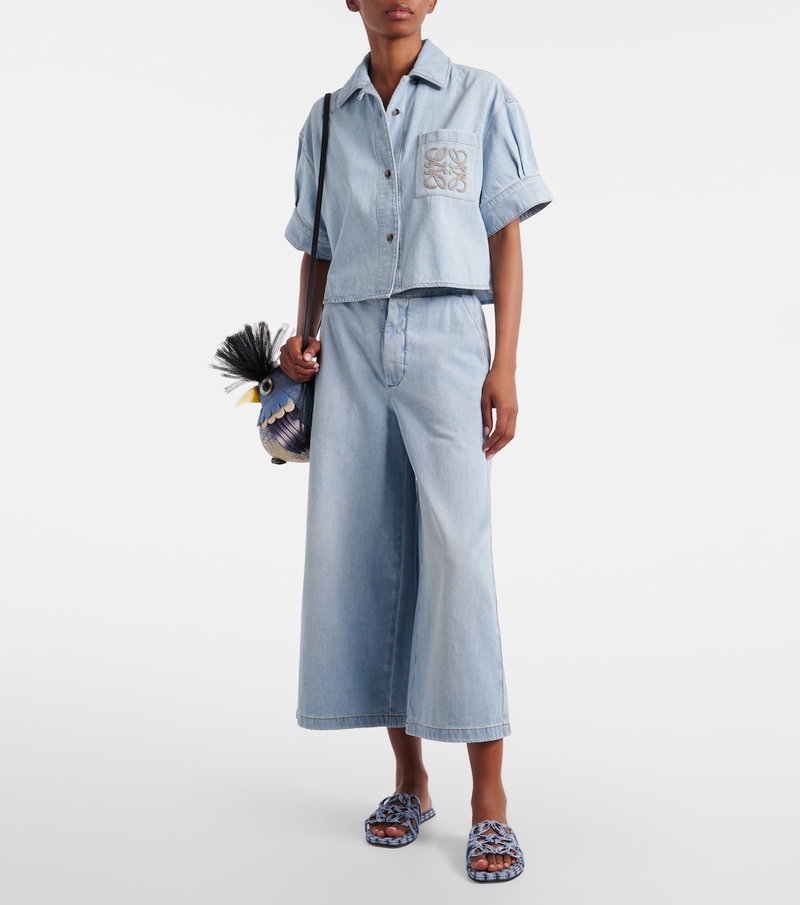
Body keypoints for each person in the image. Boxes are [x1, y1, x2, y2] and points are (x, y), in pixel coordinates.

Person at [280, 0, 552, 883]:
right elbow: (317, 248)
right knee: (373, 554)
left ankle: (490, 801)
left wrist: (505, 363)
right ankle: (409, 779)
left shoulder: (481, 98)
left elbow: (505, 238)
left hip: (447, 337)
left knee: (458, 557)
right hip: (351, 347)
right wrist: (300, 336)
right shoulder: (327, 119)